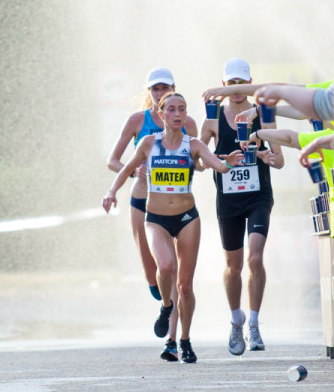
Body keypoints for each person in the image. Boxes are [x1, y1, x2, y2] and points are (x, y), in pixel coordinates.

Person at [103, 92, 244, 364]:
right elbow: (125, 169)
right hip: (155, 219)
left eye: (181, 109)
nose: (177, 114)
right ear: (161, 113)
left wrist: (229, 163)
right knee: (165, 267)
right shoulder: (148, 143)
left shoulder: (193, 145)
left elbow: (217, 164)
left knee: (185, 287)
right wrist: (111, 193)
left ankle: (185, 340)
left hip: (187, 218)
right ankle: (166, 308)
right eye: (171, 109)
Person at [105, 67, 198, 361]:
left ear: (173, 88)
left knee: (173, 272)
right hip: (142, 201)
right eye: (155, 89)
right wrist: (136, 171)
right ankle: (164, 305)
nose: (160, 93)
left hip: (177, 205)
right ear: (149, 93)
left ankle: (174, 340)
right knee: (153, 273)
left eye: (165, 88)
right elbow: (113, 161)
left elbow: (199, 157)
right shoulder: (137, 121)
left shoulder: (186, 122)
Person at [199, 58, 284, 356]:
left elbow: (280, 160)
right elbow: (198, 162)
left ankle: (255, 324)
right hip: (228, 200)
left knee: (255, 259)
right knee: (233, 267)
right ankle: (236, 319)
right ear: (224, 87)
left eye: (241, 83)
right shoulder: (212, 120)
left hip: (258, 196)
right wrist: (224, 161)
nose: (237, 89)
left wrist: (263, 154)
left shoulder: (263, 116)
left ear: (249, 83)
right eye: (231, 84)